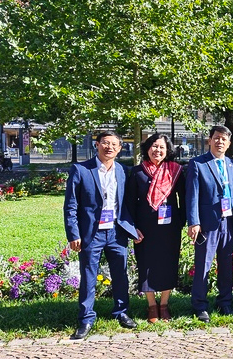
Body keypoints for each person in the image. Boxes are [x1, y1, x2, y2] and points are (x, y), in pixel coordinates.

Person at [64, 131, 139, 339]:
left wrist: (132, 228)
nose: (109, 147)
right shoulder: (81, 170)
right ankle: (86, 318)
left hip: (116, 231)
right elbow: (71, 205)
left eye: (114, 144)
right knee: (89, 275)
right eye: (105, 143)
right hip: (91, 232)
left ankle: (121, 312)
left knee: (121, 274)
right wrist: (73, 233)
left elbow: (127, 204)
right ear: (97, 145)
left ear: (120, 148)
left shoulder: (123, 171)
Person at [125, 133, 186, 323]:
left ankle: (164, 304)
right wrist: (133, 228)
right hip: (144, 228)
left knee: (168, 263)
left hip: (170, 227)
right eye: (154, 146)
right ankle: (152, 306)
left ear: (167, 150)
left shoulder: (176, 171)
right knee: (146, 264)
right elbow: (129, 203)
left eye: (161, 147)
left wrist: (181, 222)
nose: (157, 150)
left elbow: (184, 199)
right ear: (148, 148)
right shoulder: (138, 172)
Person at [186, 125, 233, 323]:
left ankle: (225, 301)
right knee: (203, 264)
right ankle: (200, 305)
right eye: (217, 138)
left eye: (224, 139)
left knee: (226, 264)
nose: (220, 142)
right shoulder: (197, 164)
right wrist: (194, 222)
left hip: (228, 220)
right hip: (207, 222)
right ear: (209, 140)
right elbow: (192, 195)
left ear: (229, 143)